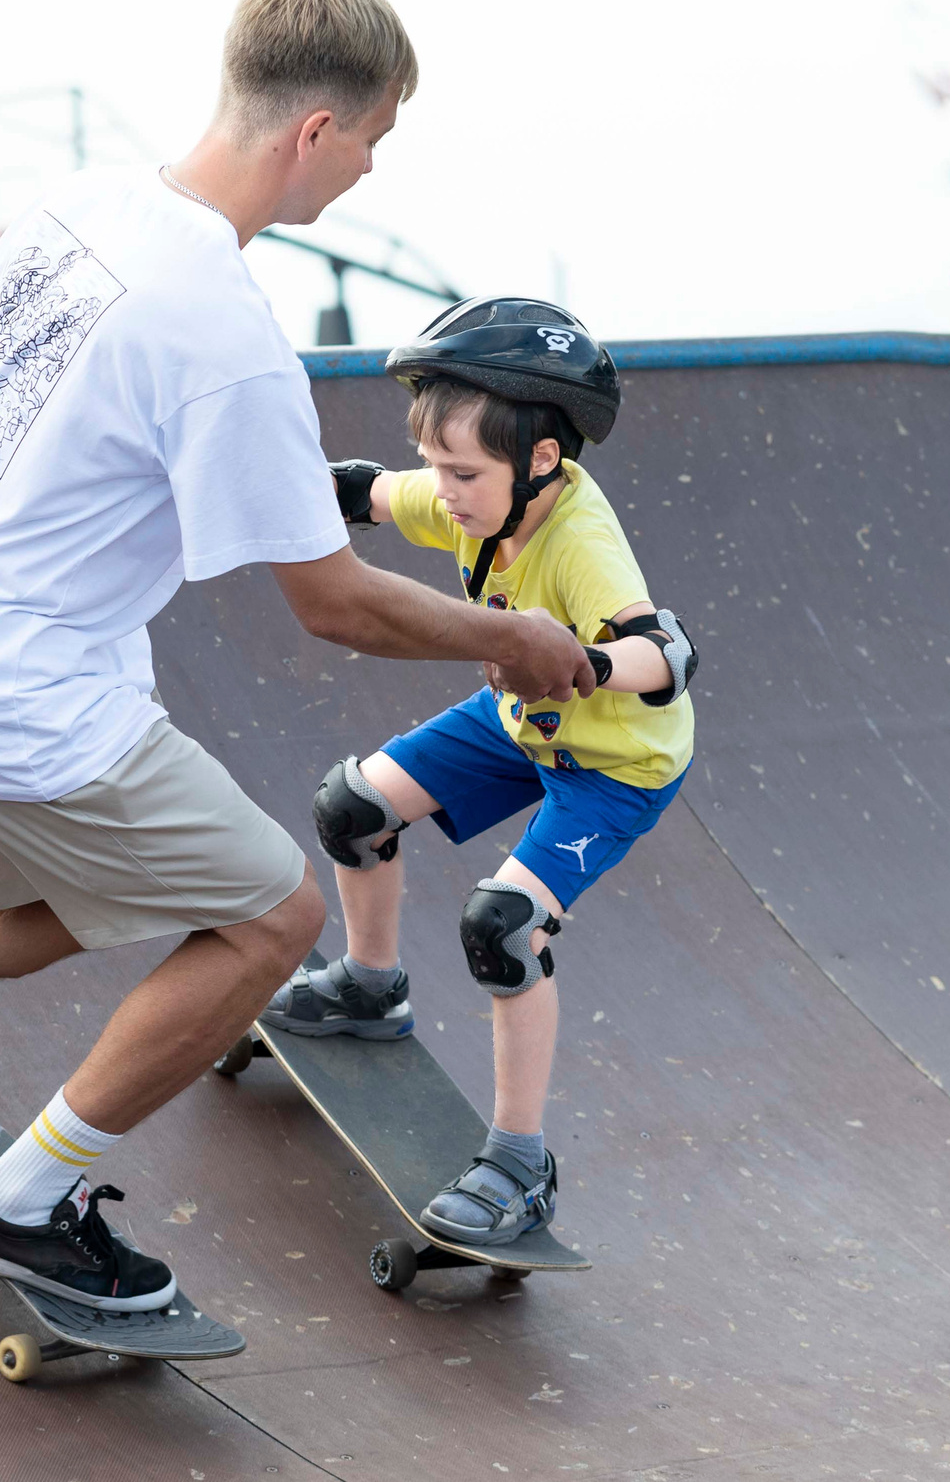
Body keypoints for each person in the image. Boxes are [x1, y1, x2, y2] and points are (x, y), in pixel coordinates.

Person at [0, 0, 591, 1314]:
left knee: (53, 908)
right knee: (268, 917)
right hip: (17, 674)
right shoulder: (228, 337)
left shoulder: (81, 205)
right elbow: (334, 602)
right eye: (372, 142)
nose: (364, 173)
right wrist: (511, 638)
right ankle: (24, 1204)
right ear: (319, 132)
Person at [261, 298, 698, 1248]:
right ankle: (371, 989)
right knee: (354, 807)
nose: (443, 491)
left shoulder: (579, 539)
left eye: (462, 472)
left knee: (504, 927)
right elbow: (363, 490)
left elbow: (664, 651)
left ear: (543, 460)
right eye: (437, 465)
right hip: (520, 721)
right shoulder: (467, 492)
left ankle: (519, 1160)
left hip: (614, 761)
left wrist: (588, 666)